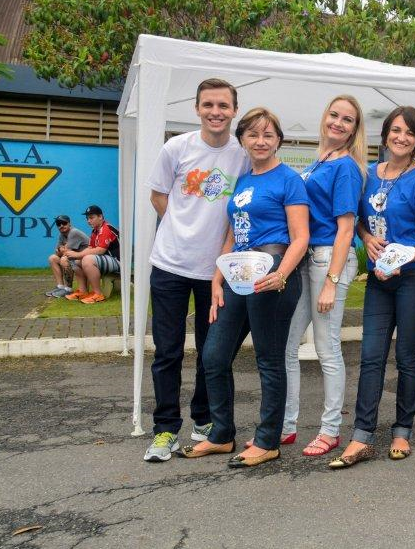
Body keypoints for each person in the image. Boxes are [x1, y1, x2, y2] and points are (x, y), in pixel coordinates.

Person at [179, 107, 309, 468]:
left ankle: (268, 440)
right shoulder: (244, 181)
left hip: (274, 277)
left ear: (278, 140)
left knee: (269, 360)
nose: (261, 141)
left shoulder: (289, 180)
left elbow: (301, 237)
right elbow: (234, 235)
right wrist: (217, 278)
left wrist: (281, 274)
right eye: (253, 134)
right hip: (237, 275)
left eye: (268, 135)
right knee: (214, 356)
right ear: (243, 141)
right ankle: (221, 435)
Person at [329, 106, 415, 469]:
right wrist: (366, 239)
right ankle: (361, 436)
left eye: (409, 133)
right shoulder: (367, 176)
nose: (401, 137)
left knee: (407, 357)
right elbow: (360, 222)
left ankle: (402, 431)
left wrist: (403, 257)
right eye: (396, 130)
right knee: (371, 356)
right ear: (385, 134)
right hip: (379, 281)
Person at [142, 78, 250, 463]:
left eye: (223, 105)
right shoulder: (176, 148)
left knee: (211, 353)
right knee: (167, 352)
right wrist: (180, 228)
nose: (216, 112)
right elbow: (158, 195)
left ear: (234, 110)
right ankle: (165, 429)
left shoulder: (243, 154)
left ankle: (203, 421)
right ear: (197, 108)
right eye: (208, 105)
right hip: (170, 265)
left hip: (215, 273)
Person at [282, 95, 365, 457]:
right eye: (334, 115)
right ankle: (286, 426)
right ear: (324, 117)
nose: (339, 123)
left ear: (354, 130)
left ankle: (330, 430)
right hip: (308, 260)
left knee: (327, 348)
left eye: (348, 120)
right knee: (287, 343)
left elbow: (347, 228)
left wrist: (332, 281)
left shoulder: (345, 166)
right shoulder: (320, 160)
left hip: (329, 260)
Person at [64, 205, 120, 304]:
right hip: (108, 260)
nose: (88, 221)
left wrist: (78, 254)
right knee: (77, 261)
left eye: (91, 218)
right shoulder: (95, 230)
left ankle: (98, 294)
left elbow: (100, 250)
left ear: (100, 217)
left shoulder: (106, 228)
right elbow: (90, 248)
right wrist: (78, 255)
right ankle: (83, 291)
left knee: (87, 260)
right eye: (87, 218)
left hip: (119, 262)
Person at [45, 215, 89, 298]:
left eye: (64, 223)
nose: (61, 226)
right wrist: (61, 249)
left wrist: (62, 249)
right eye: (59, 224)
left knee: (64, 259)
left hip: (86, 259)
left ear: (69, 224)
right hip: (75, 258)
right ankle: (60, 287)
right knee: (52, 258)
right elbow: (57, 253)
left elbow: (65, 252)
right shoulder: (62, 235)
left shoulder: (74, 232)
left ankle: (68, 289)